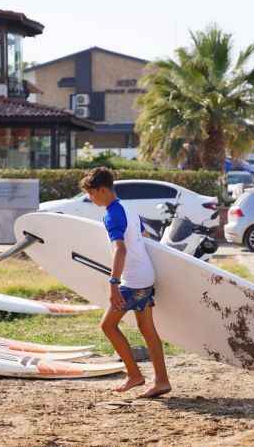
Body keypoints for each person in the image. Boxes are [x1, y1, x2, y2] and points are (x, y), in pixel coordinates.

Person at [79, 167, 172, 398]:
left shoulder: (112, 215)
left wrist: (113, 283)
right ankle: (161, 381)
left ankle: (134, 374)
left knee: (107, 326)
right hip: (145, 275)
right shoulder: (128, 208)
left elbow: (120, 249)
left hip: (133, 282)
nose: (90, 199)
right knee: (147, 329)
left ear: (101, 190)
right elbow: (143, 237)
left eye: (91, 194)